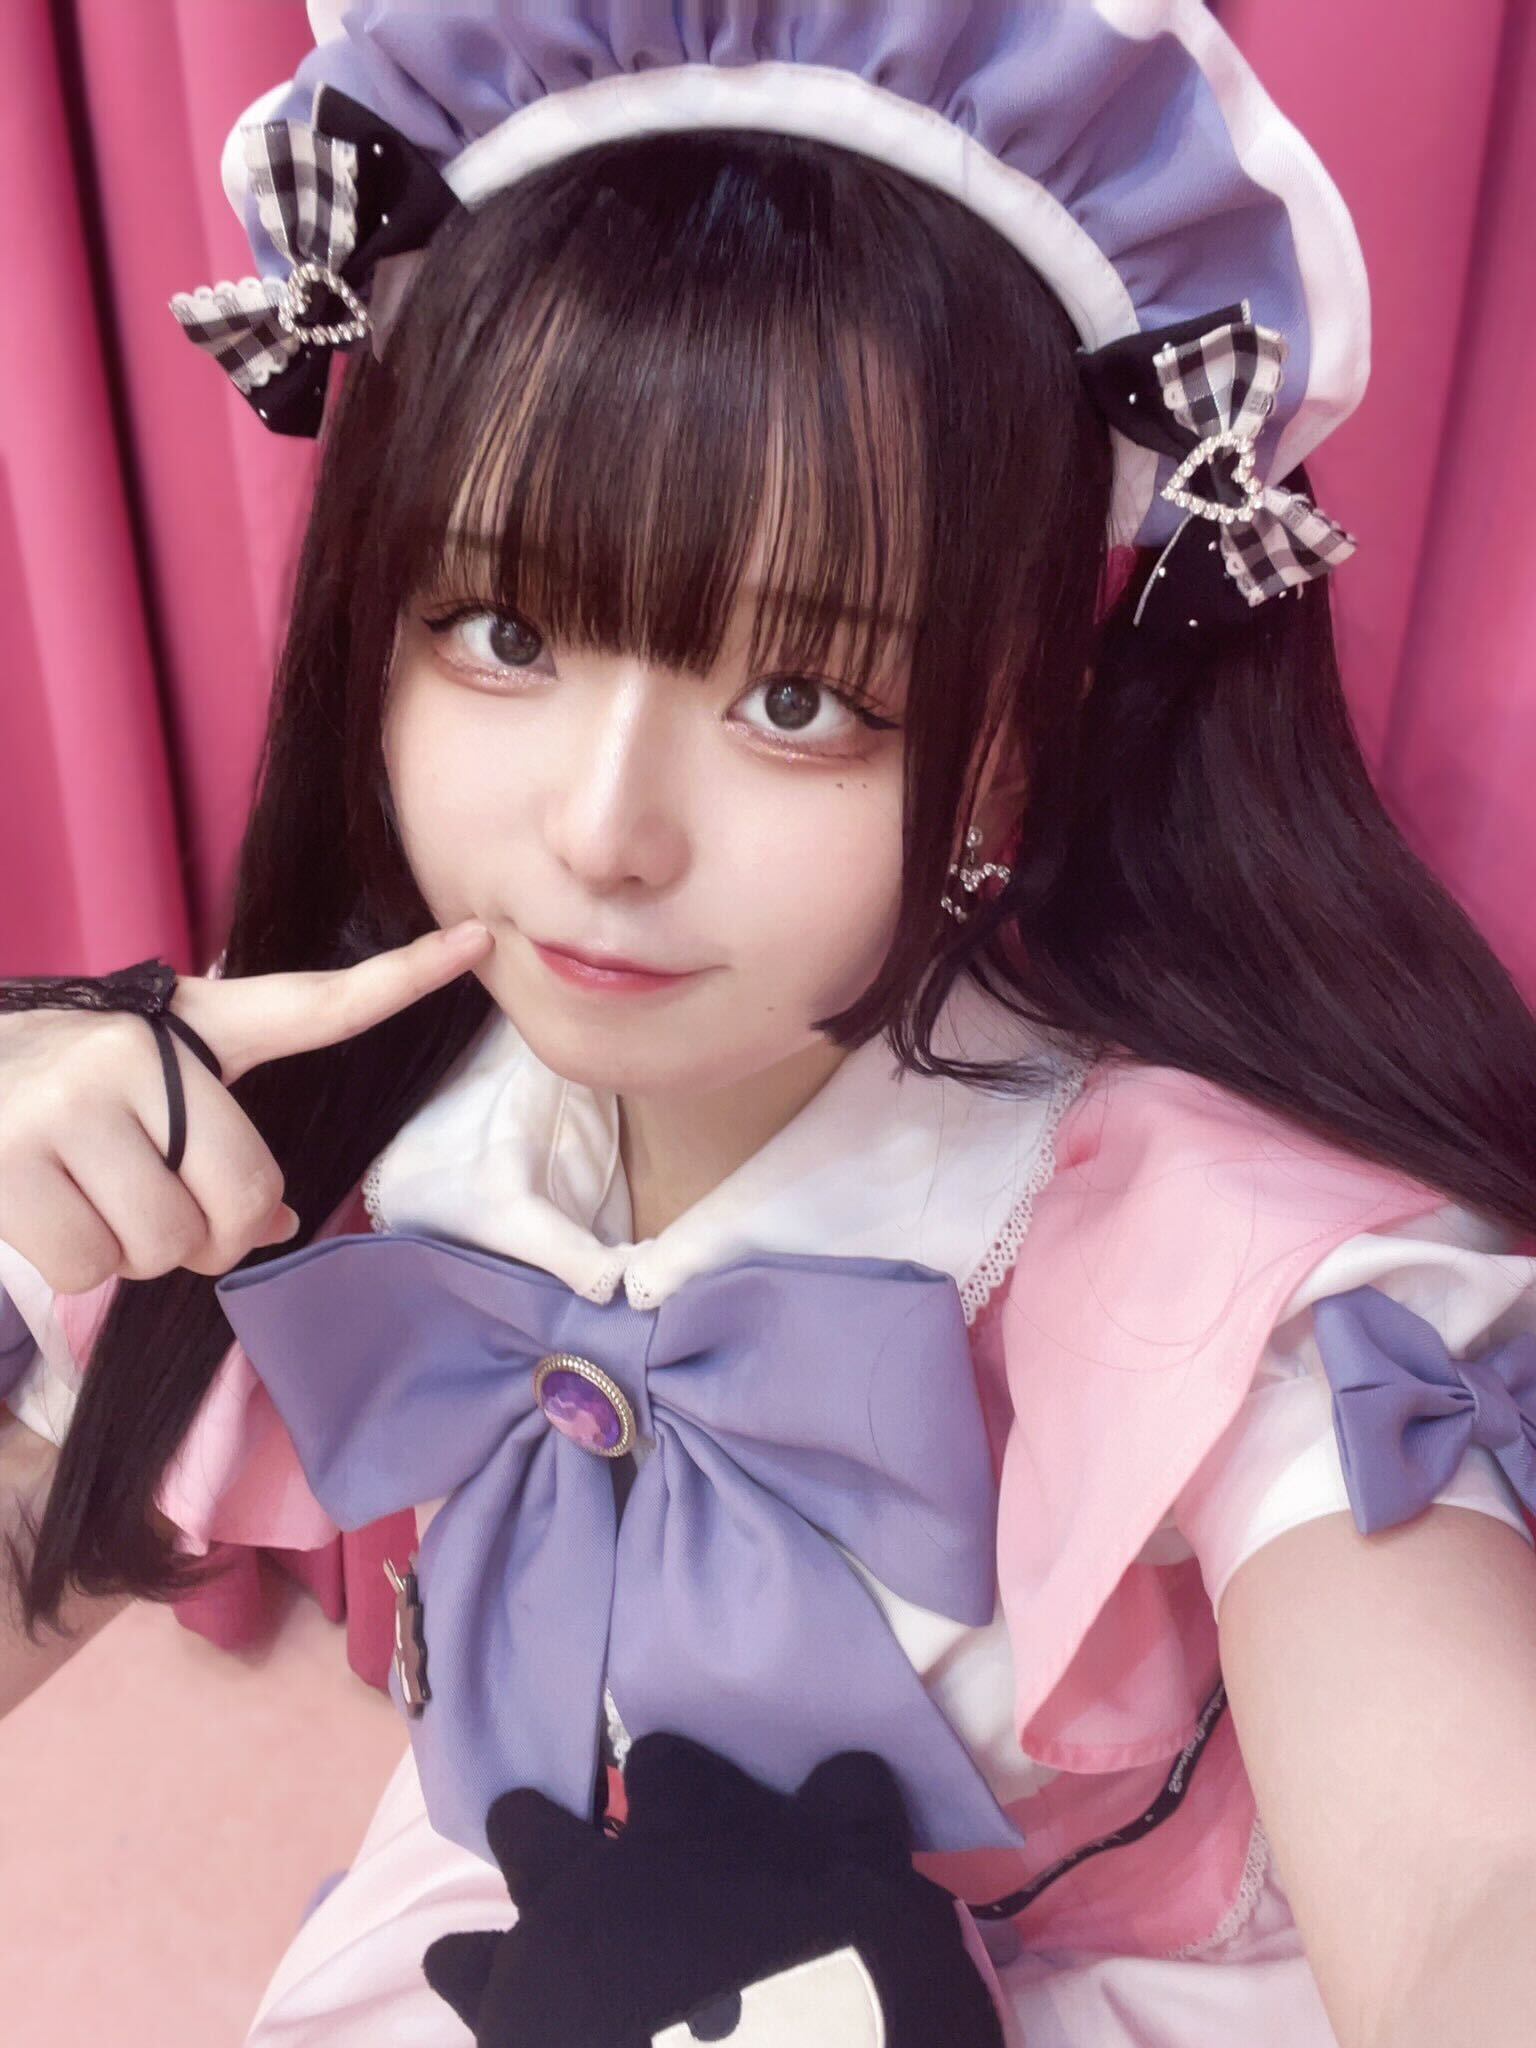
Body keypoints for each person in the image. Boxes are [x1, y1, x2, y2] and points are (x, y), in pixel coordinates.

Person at [3, 4, 1536, 2042]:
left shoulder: (1192, 1247)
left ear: (1012, 744)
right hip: (546, 1921)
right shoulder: (348, 1127)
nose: (602, 833)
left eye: (797, 699)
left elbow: (1475, 1881)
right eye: (505, 631)